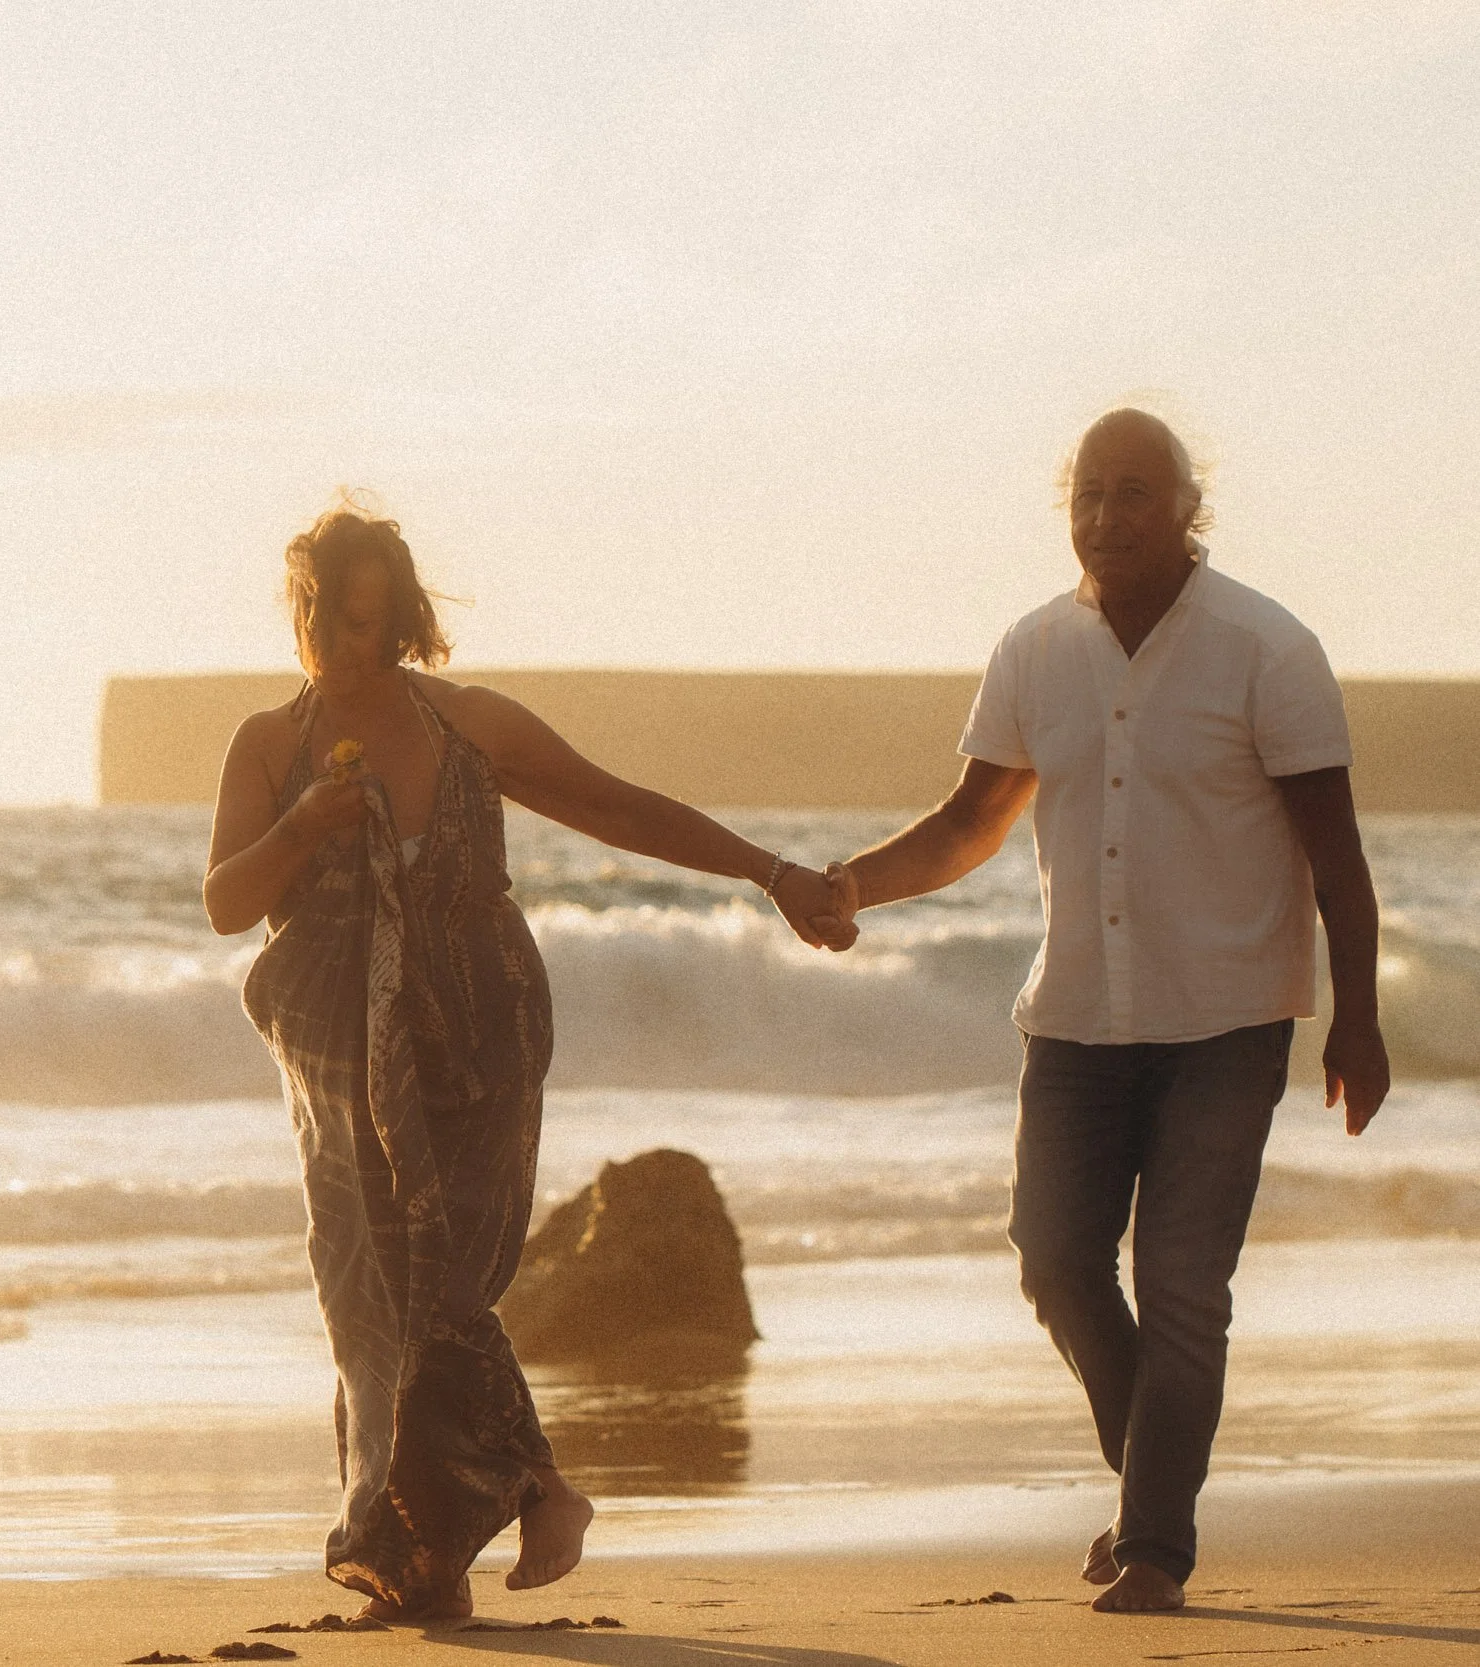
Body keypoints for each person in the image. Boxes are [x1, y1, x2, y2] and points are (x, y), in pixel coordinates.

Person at [204, 503, 853, 1622]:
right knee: (369, 1300)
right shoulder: (269, 744)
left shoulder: (466, 727)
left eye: (377, 623)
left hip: (481, 1033)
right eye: (336, 623)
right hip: (337, 1055)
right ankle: (431, 1549)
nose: (358, 648)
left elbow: (614, 805)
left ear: (402, 617)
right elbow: (226, 903)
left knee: (448, 1282)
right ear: (303, 615)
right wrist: (304, 825)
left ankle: (513, 1496)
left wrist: (771, 871)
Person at [821, 409, 1389, 1613]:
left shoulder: (1264, 646)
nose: (1105, 514)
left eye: (1135, 492)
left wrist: (1358, 1015)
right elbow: (970, 822)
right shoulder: (1034, 648)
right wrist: (851, 883)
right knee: (1056, 1257)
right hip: (1075, 1021)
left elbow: (1335, 855)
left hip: (1226, 1021)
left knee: (1184, 1280)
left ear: (1186, 507)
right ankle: (1151, 1491)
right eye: (1087, 492)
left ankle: (1153, 1548)